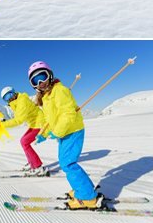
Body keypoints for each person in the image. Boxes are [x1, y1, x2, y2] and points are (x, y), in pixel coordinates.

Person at [28, 60, 101, 208]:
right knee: (66, 162)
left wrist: (57, 132)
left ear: (49, 75)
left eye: (42, 76)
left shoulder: (59, 90)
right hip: (65, 132)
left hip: (72, 131)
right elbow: (51, 120)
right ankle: (84, 189)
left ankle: (87, 198)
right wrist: (44, 134)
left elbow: (68, 114)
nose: (40, 82)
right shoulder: (47, 97)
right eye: (35, 80)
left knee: (68, 163)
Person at [0, 85, 47, 176]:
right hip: (34, 123)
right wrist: (5, 121)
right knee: (23, 142)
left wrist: (2, 125)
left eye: (10, 94)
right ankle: (32, 163)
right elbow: (18, 117)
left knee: (24, 142)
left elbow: (18, 120)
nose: (9, 98)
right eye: (6, 97)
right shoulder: (16, 102)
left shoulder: (22, 101)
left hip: (40, 123)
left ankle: (38, 167)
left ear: (14, 92)